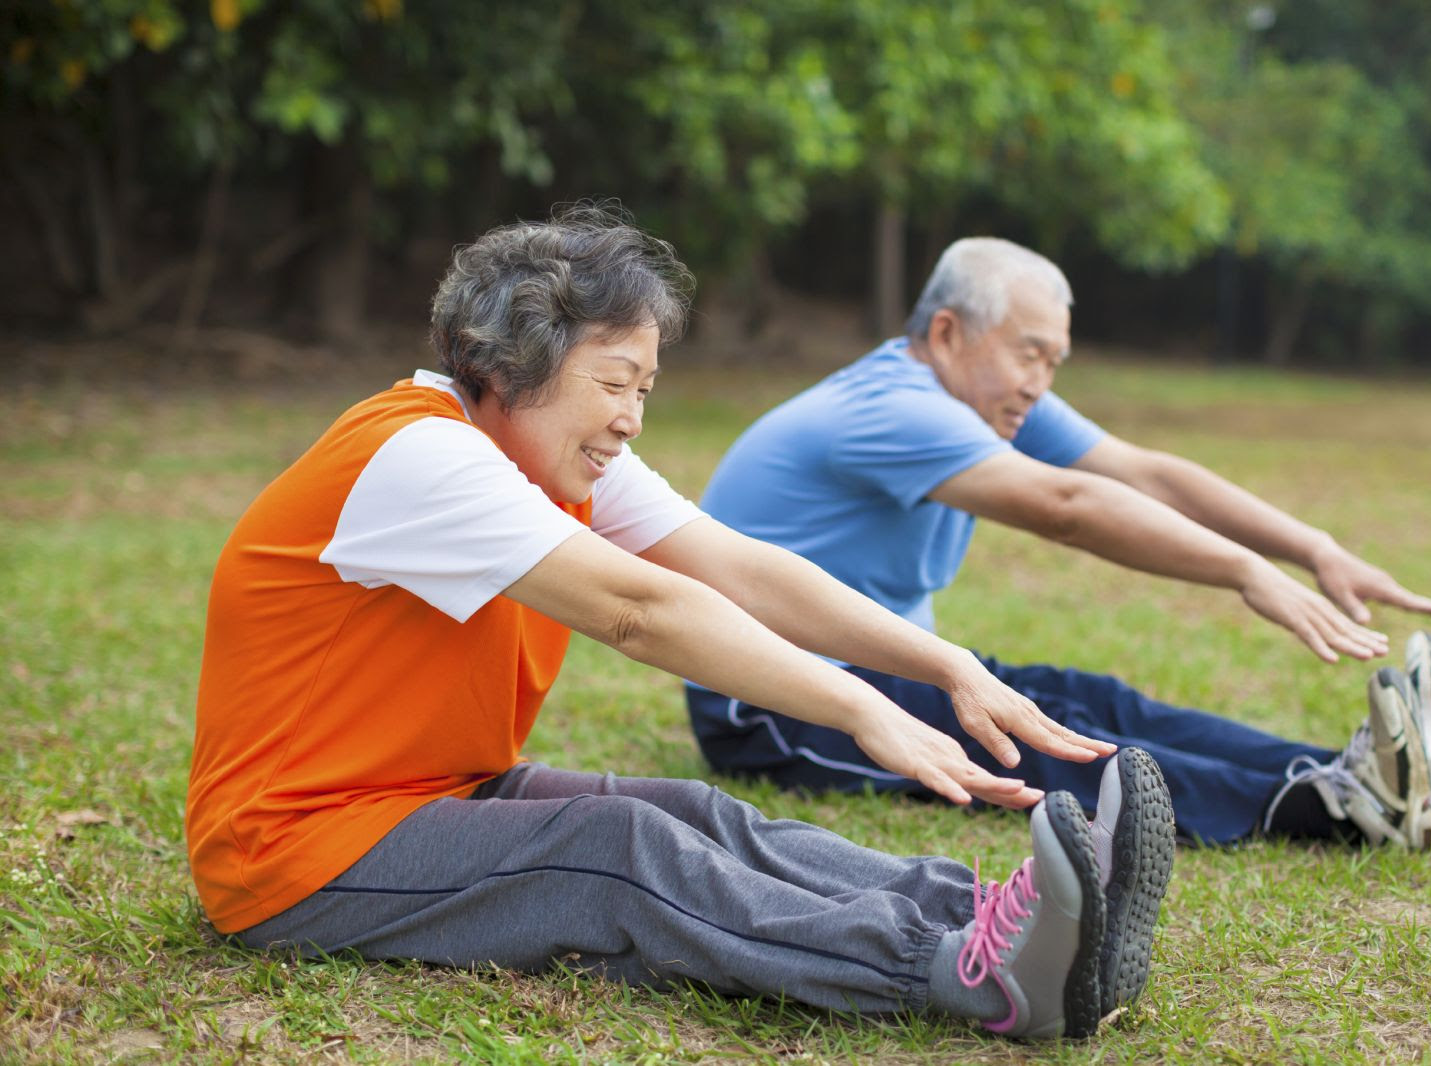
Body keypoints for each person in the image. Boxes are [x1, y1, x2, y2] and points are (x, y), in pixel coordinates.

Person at [184, 207, 1180, 1042]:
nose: (631, 418)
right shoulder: (419, 456)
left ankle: (993, 914)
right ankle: (974, 972)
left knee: (695, 814)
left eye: (644, 390)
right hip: (293, 855)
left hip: (424, 791)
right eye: (614, 383)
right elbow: (638, 609)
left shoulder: (552, 455)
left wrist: (944, 663)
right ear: (515, 361)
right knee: (616, 847)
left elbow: (739, 566)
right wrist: (855, 705)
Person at [686, 236, 1431, 850]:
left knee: (1095, 703)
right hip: (770, 703)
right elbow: (1067, 505)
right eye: (1029, 352)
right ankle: (1330, 807)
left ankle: (1358, 770)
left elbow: (1144, 474)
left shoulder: (987, 397)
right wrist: (1242, 571)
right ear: (949, 332)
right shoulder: (894, 408)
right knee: (1047, 740)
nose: (1040, 381)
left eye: (1054, 361)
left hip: (886, 663)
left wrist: (1313, 547)